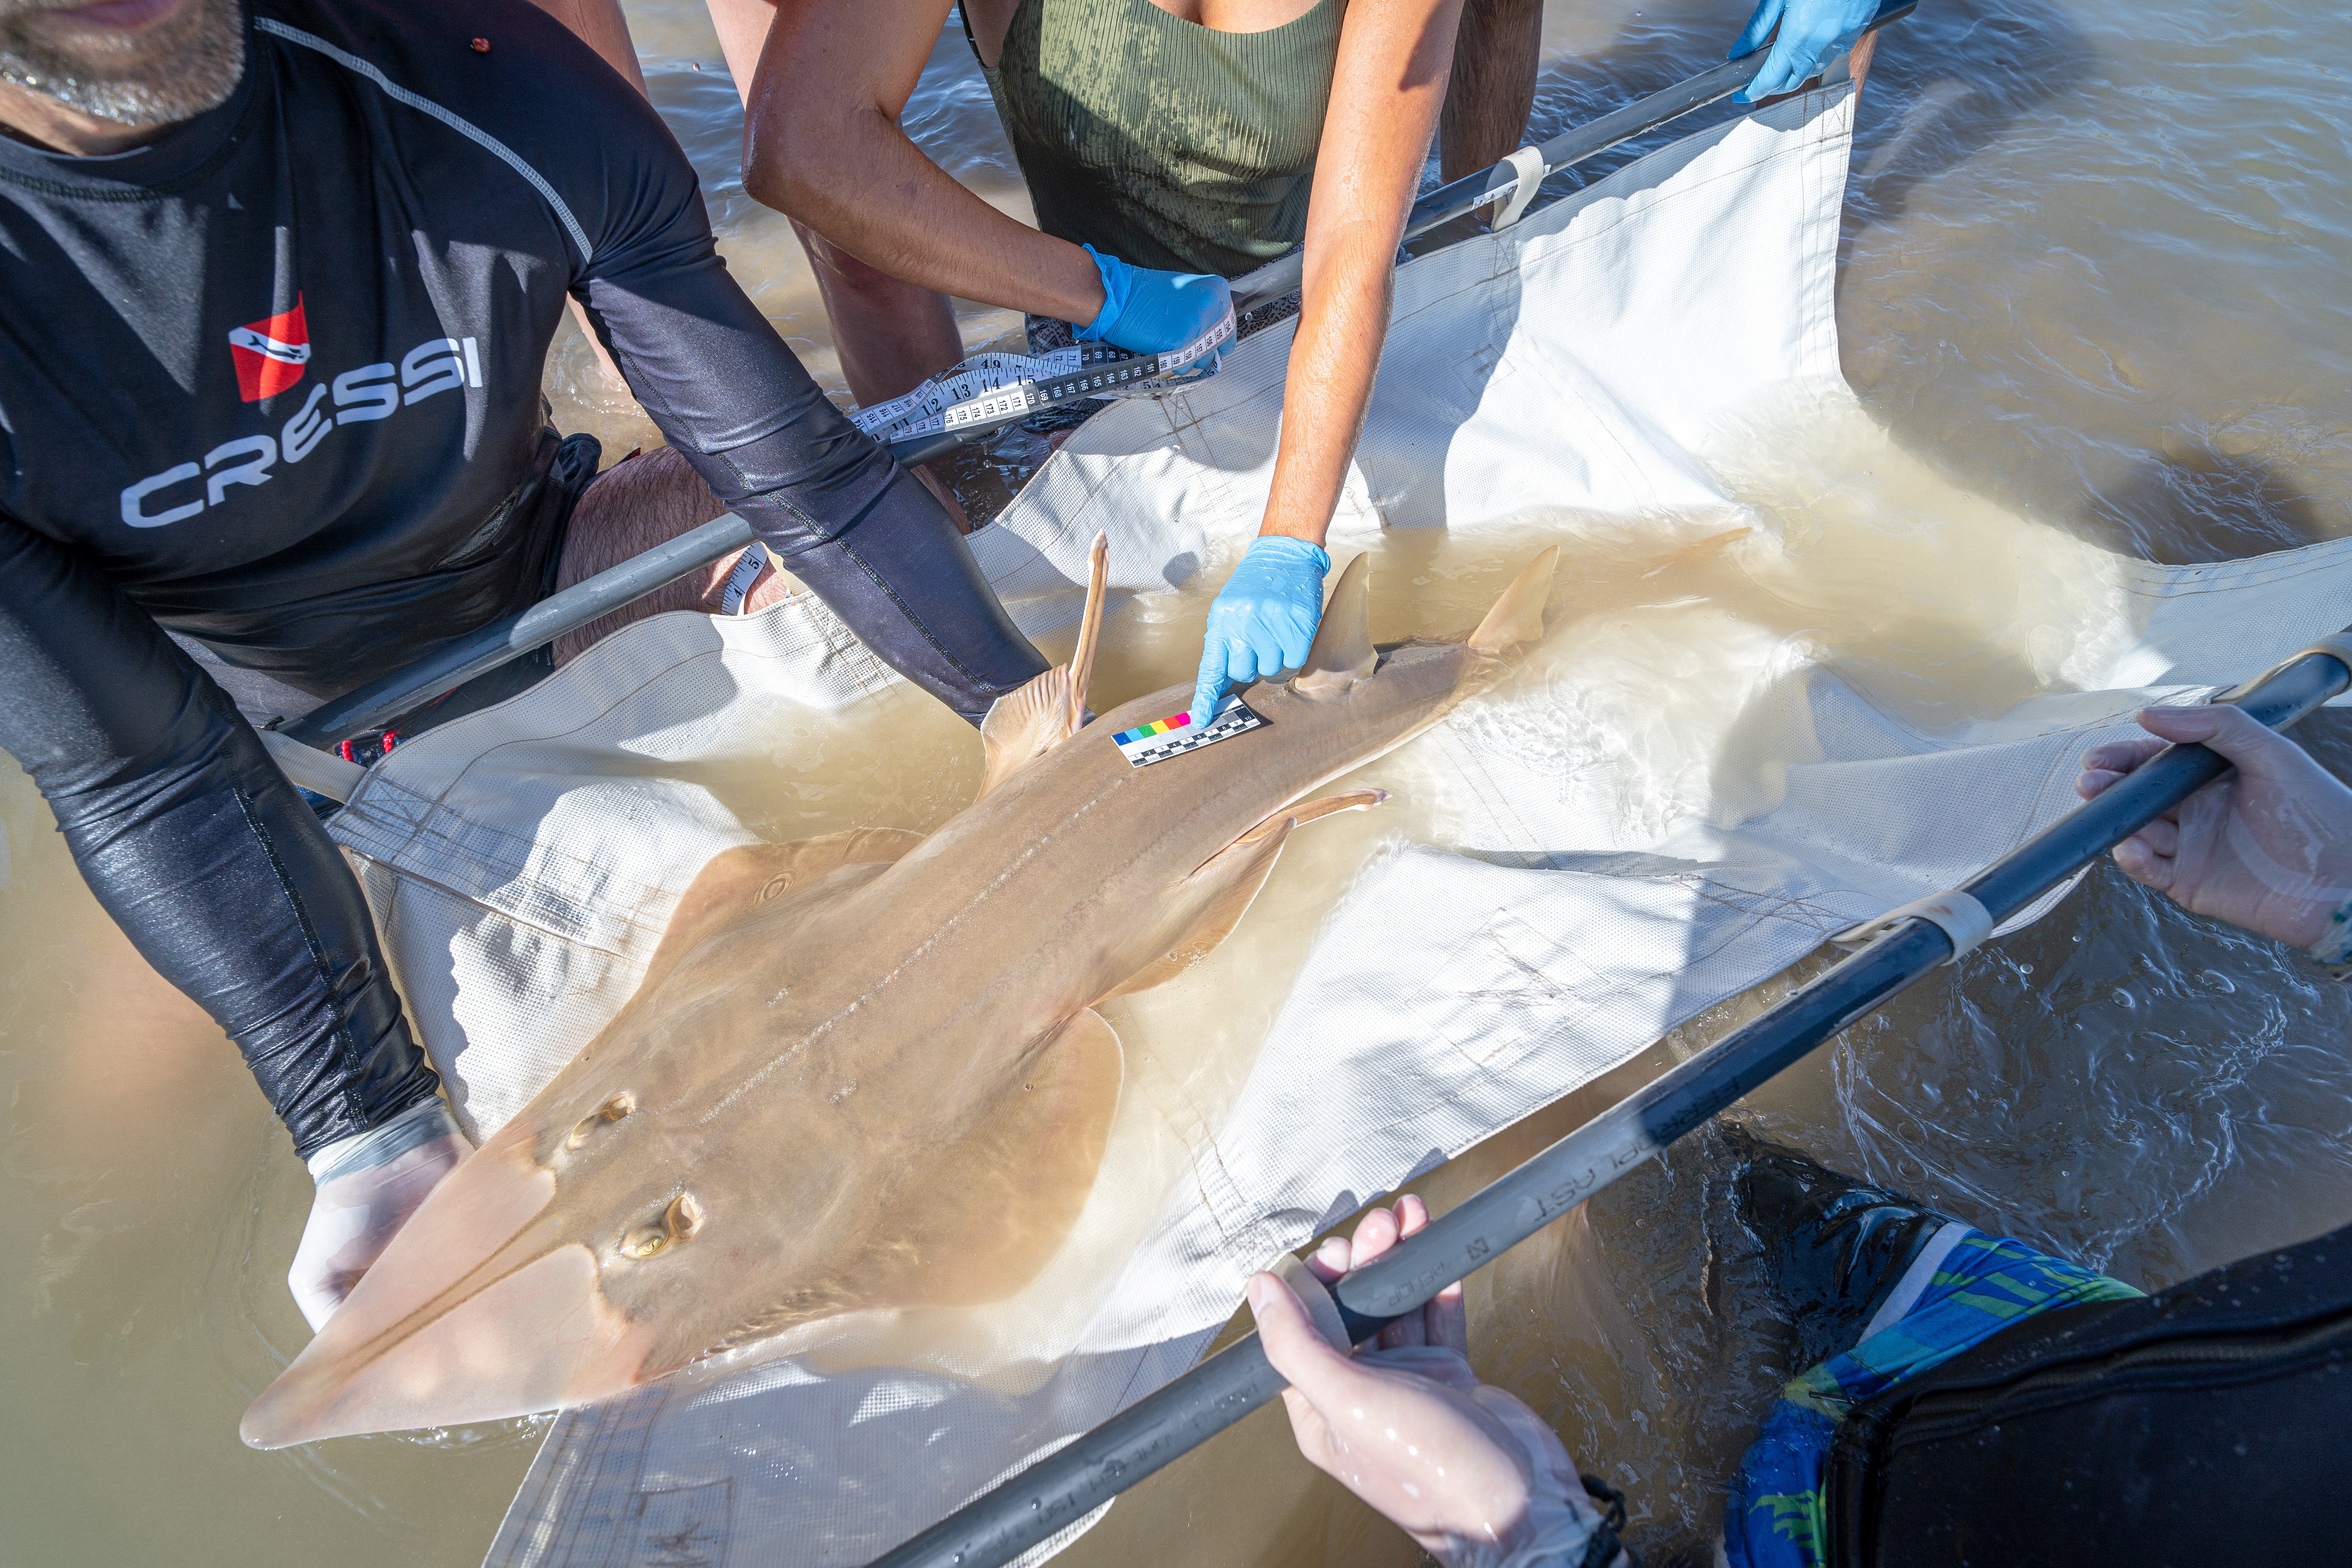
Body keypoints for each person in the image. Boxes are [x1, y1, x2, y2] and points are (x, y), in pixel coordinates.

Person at [0, 0, 1050, 1330]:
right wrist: (364, 1129)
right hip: (256, 733)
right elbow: (143, 778)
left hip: (547, 561)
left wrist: (1040, 723)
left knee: (890, 546)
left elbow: (801, 476)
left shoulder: (478, 74)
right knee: (113, 1164)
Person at [1249, 699, 2352, 1564]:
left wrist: (1537, 1546)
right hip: (2012, 1334)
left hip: (1827, 1542)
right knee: (1673, 1175)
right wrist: (2339, 896)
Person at [726, 0, 1893, 736]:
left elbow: (1349, 249)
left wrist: (1290, 538)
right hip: (1088, 318)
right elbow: (800, 149)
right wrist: (1098, 297)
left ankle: (1484, 234)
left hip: (1321, 303)